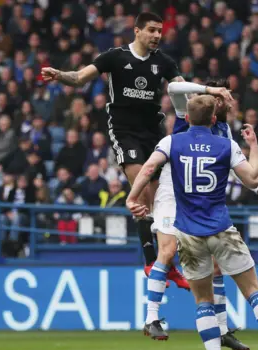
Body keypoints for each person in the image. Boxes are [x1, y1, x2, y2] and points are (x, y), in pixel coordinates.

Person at [40, 12, 231, 288]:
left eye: (160, 31)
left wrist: (211, 94)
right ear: (137, 30)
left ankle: (168, 263)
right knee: (139, 192)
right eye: (152, 30)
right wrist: (58, 75)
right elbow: (80, 78)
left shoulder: (163, 62)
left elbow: (182, 89)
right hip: (124, 133)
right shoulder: (115, 57)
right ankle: (151, 260)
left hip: (153, 134)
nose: (157, 35)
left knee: (161, 202)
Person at [126, 95, 258, 350]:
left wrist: (132, 197)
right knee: (252, 290)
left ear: (187, 118)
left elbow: (147, 169)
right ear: (214, 119)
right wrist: (254, 145)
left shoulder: (171, 142)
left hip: (189, 233)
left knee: (203, 302)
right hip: (221, 228)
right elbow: (252, 179)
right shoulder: (226, 145)